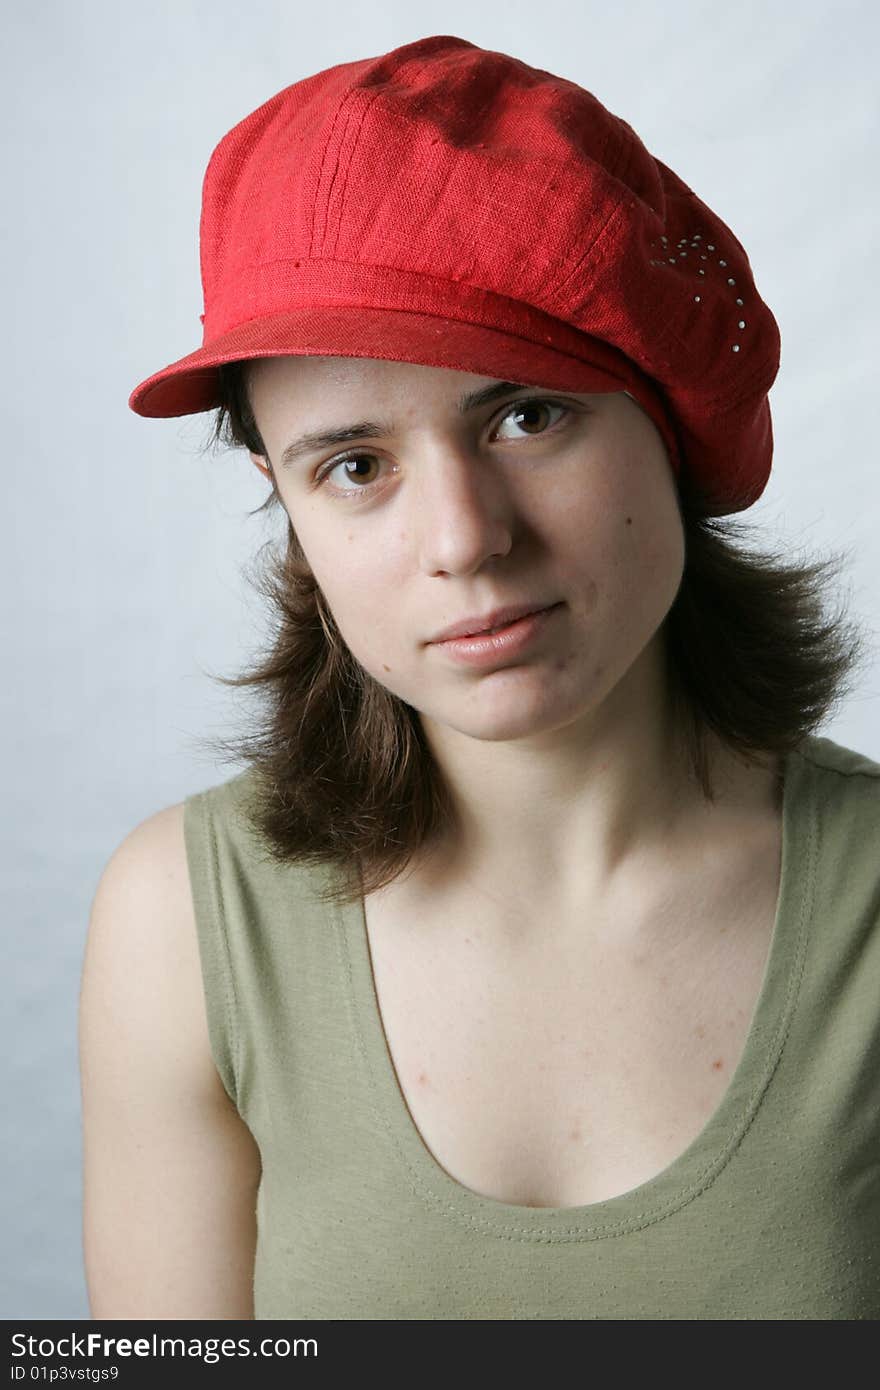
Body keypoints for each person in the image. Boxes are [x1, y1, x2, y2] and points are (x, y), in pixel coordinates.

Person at [79, 34, 880, 1320]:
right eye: (354, 465)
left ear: (668, 418)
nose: (464, 539)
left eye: (526, 415)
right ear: (284, 505)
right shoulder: (179, 919)